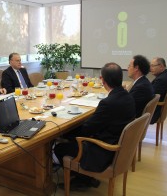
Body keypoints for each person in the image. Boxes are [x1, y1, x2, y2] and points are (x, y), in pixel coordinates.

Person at [54, 62, 136, 190]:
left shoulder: (108, 103)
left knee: (59, 148)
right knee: (70, 136)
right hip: (117, 144)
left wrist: (64, 133)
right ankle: (84, 177)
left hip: (104, 151)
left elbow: (86, 130)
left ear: (103, 80)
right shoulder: (127, 96)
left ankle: (82, 180)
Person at [150, 57, 167, 124]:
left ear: (161, 66)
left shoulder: (161, 80)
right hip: (158, 108)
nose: (150, 68)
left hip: (154, 112)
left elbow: (151, 96)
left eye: (152, 66)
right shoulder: (166, 75)